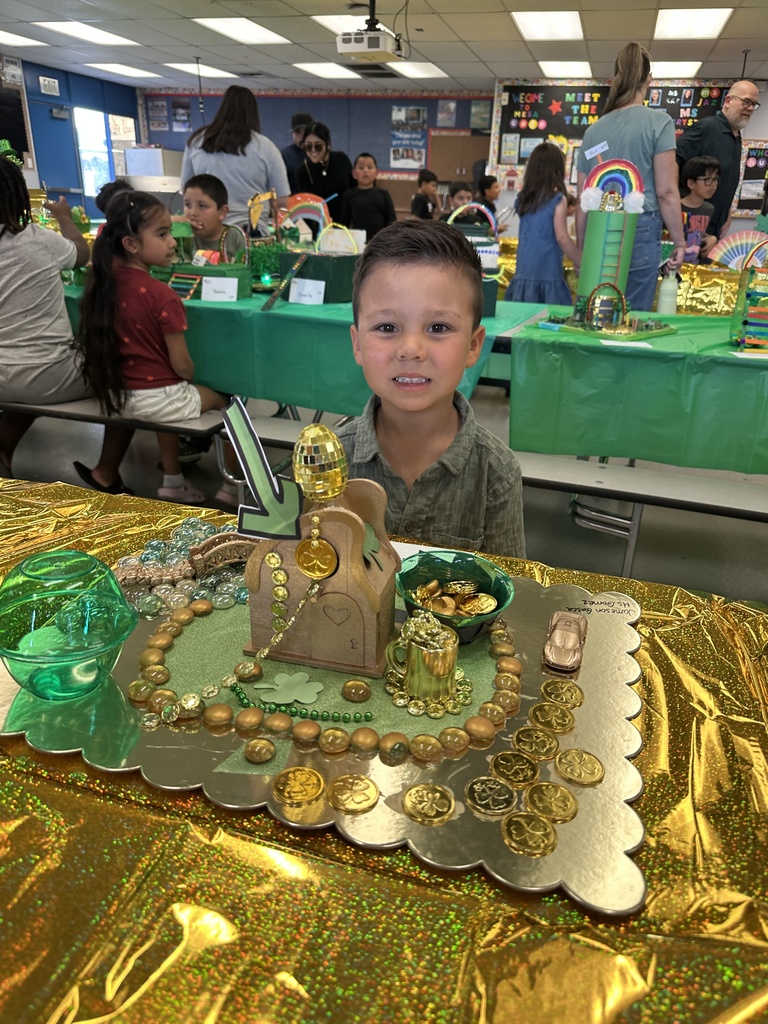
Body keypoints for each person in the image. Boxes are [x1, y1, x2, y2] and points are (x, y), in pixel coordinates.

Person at [336, 220, 525, 557]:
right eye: (387, 327)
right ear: (357, 344)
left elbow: (508, 581)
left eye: (438, 327)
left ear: (473, 345)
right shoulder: (331, 461)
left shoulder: (495, 472)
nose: (411, 349)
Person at [74, 190, 230, 504]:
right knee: (229, 400)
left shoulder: (103, 285)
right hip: (158, 400)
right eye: (162, 234)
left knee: (166, 394)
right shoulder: (162, 295)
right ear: (131, 244)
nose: (172, 242)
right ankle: (231, 487)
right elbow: (182, 367)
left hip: (118, 396)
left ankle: (173, 479)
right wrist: (193, 376)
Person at [0, 156, 92, 477]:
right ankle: (111, 469)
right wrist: (64, 218)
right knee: (125, 366)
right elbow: (81, 254)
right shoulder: (39, 239)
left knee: (22, 386)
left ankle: (4, 450)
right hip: (51, 377)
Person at [577, 42, 685, 312]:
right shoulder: (659, 123)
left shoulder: (593, 131)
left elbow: (583, 201)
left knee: (598, 309)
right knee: (632, 314)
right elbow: (666, 192)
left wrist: (582, 250)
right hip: (640, 226)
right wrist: (680, 242)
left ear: (616, 78)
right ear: (649, 79)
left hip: (598, 228)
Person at [180, 85, 289, 237]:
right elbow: (282, 200)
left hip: (205, 230)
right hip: (251, 232)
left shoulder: (197, 142)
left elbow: (186, 188)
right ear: (253, 113)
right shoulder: (266, 147)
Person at [676, 80, 761, 239]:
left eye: (754, 104)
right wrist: (679, 207)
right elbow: (672, 162)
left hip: (715, 226)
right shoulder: (706, 128)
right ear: (728, 101)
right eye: (746, 102)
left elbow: (726, 179)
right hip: (692, 225)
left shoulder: (736, 137)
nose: (750, 108)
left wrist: (727, 212)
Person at [504, 143, 581, 305]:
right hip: (548, 272)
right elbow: (562, 238)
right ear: (557, 170)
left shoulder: (523, 199)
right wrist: (580, 261)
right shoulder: (557, 199)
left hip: (524, 272)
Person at [295, 122, 354, 227]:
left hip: (346, 224)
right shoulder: (302, 171)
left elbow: (354, 190)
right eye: (308, 146)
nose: (313, 150)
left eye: (318, 146)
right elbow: (306, 206)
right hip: (319, 225)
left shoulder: (341, 160)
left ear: (328, 144)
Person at [182, 173, 247, 262]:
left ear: (222, 212)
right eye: (188, 205)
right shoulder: (183, 238)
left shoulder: (235, 238)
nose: (193, 213)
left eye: (202, 206)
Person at [340, 153, 396, 240]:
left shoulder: (384, 194)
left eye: (369, 167)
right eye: (361, 168)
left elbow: (391, 220)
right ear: (354, 174)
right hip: (356, 242)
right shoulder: (349, 195)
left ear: (376, 173)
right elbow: (344, 223)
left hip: (380, 242)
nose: (365, 171)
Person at [679, 156, 720, 263]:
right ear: (691, 183)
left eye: (715, 179)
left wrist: (713, 239)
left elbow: (699, 233)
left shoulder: (709, 209)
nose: (713, 185)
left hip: (695, 266)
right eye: (707, 180)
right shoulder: (675, 208)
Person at [280, 112, 313, 194]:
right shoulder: (284, 157)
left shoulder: (321, 154)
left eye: (306, 131)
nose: (302, 136)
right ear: (292, 133)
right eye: (298, 132)